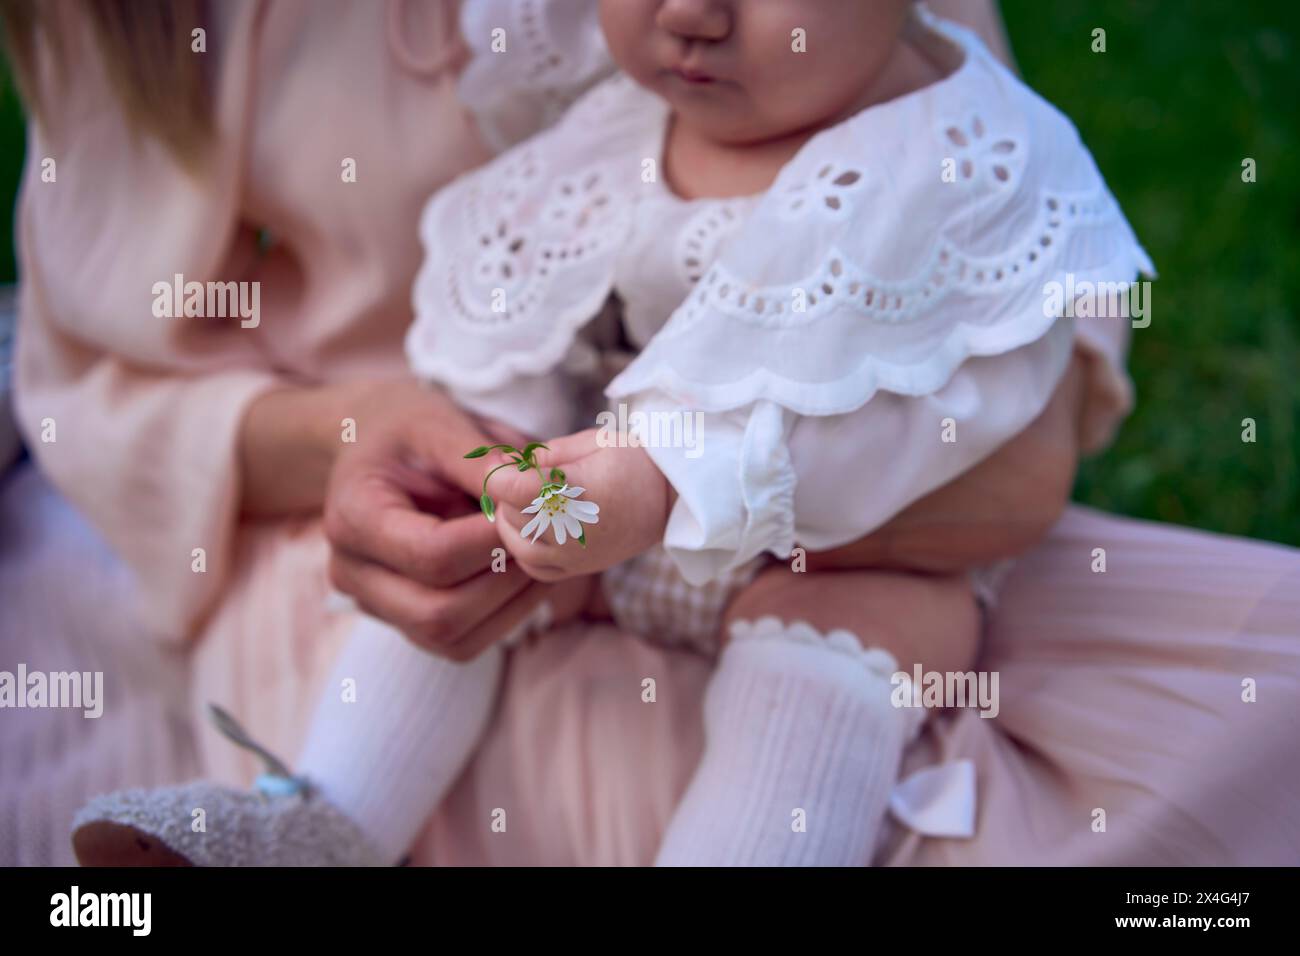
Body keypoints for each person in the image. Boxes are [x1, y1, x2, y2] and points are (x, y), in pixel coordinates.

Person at [67, 1, 1147, 866]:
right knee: (463, 571)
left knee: (826, 667)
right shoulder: (620, 129)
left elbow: (954, 416)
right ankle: (322, 817)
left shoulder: (967, 155)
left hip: (843, 545)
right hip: (608, 522)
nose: (691, 13)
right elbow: (538, 313)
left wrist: (676, 475)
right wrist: (503, 453)